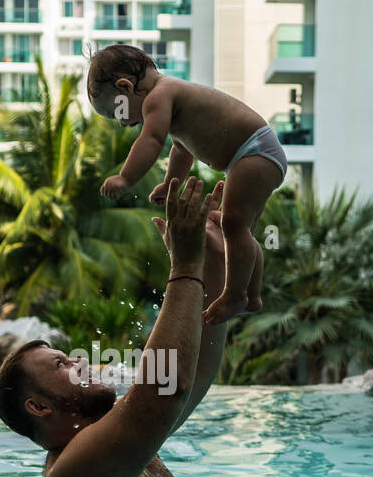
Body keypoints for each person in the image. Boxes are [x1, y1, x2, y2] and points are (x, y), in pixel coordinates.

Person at [0, 177, 229, 477]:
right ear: (38, 406)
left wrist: (212, 267)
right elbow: (164, 392)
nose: (79, 361)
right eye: (62, 365)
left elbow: (193, 381)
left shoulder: (118, 443)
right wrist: (185, 267)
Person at [88, 44, 287, 326]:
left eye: (115, 113)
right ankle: (251, 297)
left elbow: (151, 140)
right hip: (254, 155)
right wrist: (170, 182)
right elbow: (181, 150)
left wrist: (125, 177)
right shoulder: (172, 101)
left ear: (125, 87)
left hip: (254, 152)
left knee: (234, 225)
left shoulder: (160, 96)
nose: (121, 123)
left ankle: (235, 295)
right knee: (241, 230)